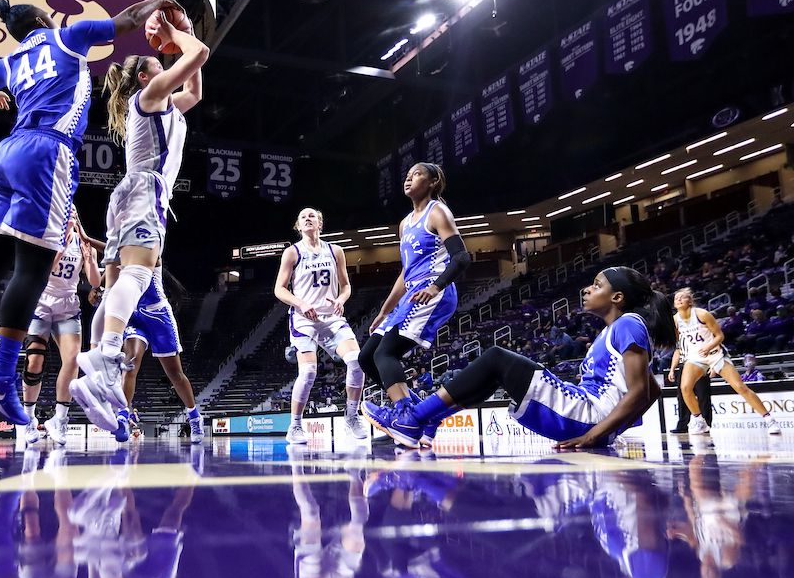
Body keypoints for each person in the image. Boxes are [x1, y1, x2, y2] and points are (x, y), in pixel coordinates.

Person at [0, 0, 185, 428]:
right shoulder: (68, 37)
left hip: (7, 154)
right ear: (43, 17)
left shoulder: (9, 61)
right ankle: (0, 374)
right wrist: (159, 1)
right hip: (48, 150)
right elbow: (130, 17)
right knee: (34, 266)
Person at [69, 12, 208, 439]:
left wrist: (176, 42)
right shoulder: (149, 95)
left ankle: (94, 377)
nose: (162, 63)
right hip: (146, 191)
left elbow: (195, 89)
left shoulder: (165, 104)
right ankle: (107, 353)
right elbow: (199, 52)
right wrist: (178, 35)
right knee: (139, 273)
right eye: (157, 62)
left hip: (129, 194)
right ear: (147, 76)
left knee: (115, 289)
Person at [365, 267, 676, 449]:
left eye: (597, 285)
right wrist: (610, 432)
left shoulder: (628, 324)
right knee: (496, 370)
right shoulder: (620, 328)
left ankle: (414, 418)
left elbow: (640, 392)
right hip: (589, 416)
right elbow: (654, 390)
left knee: (498, 357)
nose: (586, 289)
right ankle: (429, 420)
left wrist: (598, 433)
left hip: (587, 416)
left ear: (617, 298)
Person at [360, 163, 470, 448]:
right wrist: (384, 311)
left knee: (386, 353)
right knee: (367, 356)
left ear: (433, 182)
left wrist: (435, 287)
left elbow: (461, 257)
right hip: (411, 293)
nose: (408, 177)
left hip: (434, 290)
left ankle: (405, 418)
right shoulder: (405, 222)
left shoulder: (438, 212)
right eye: (407, 174)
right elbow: (405, 273)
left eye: (417, 174)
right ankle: (423, 415)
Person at [273, 208, 367, 445]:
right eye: (302, 216)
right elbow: (279, 289)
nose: (307, 218)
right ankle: (294, 426)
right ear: (298, 225)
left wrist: (341, 300)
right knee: (308, 372)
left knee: (357, 361)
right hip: (304, 319)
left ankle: (351, 416)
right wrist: (300, 303)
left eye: (311, 216)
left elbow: (346, 286)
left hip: (331, 316)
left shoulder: (335, 251)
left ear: (320, 224)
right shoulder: (292, 253)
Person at [22, 212, 100, 446]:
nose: (71, 217)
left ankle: (60, 420)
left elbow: (95, 282)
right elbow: (40, 273)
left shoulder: (84, 244)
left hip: (68, 306)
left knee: (73, 361)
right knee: (34, 362)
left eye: (75, 214)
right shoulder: (45, 237)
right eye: (68, 213)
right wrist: (61, 247)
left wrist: (91, 261)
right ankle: (28, 420)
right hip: (41, 303)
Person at [670, 288, 780, 435]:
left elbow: (720, 336)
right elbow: (678, 344)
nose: (679, 299)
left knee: (740, 387)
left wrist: (708, 346)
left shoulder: (702, 314)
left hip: (715, 354)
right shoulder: (676, 320)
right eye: (676, 298)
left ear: (689, 301)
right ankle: (699, 421)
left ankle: (770, 420)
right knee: (685, 387)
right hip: (696, 357)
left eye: (682, 297)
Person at [119, 267, 203, 443]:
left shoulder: (149, 245)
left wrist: (89, 239)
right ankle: (122, 415)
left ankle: (195, 417)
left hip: (158, 315)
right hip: (135, 315)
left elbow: (127, 257)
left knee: (175, 374)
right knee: (130, 362)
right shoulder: (120, 253)